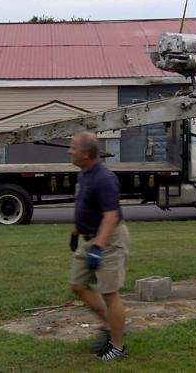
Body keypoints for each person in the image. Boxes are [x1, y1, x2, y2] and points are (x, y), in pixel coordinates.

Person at [67, 132, 130, 361]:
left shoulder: (104, 178)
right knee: (78, 284)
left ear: (85, 154)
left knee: (109, 293)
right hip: (89, 238)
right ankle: (110, 325)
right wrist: (76, 232)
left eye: (73, 147)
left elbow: (110, 216)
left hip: (109, 240)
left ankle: (117, 348)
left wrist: (98, 248)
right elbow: (85, 206)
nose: (69, 151)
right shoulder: (84, 175)